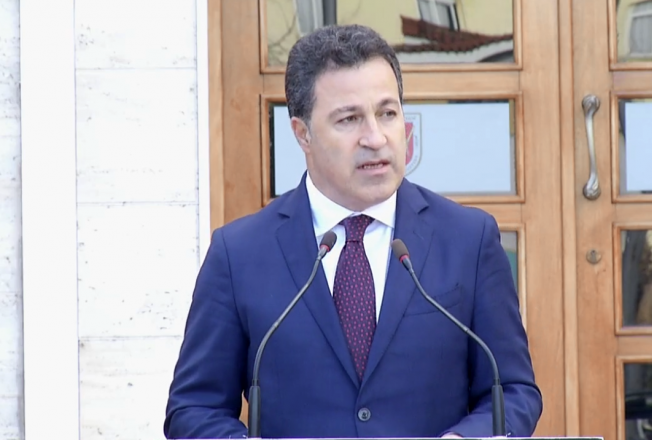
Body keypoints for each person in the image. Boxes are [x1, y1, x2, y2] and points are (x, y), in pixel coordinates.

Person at [164, 24, 542, 439]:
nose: (375, 138)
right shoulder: (238, 254)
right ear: (303, 134)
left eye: (387, 113)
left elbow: (513, 391)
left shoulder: (468, 239)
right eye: (349, 119)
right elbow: (194, 409)